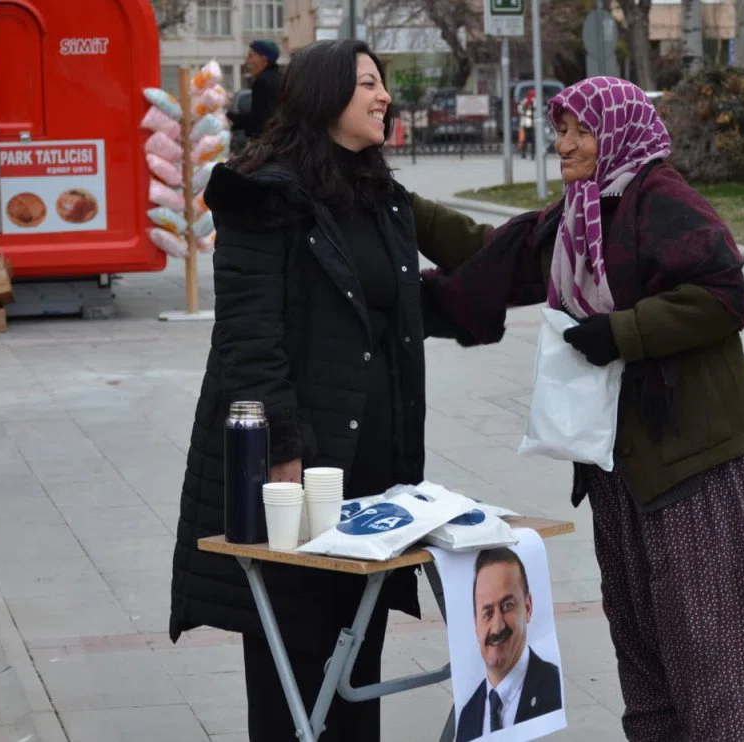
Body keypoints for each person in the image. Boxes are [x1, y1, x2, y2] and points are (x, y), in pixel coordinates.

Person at [422, 77, 744, 741]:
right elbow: (492, 255)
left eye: (579, 131)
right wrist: (398, 208)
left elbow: (723, 294)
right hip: (621, 475)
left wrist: (622, 332)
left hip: (693, 471)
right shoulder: (578, 218)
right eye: (560, 131)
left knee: (719, 665)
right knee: (645, 664)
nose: (564, 145)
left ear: (617, 132)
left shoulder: (661, 200)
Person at [170, 39, 493, 742]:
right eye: (368, 84)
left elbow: (400, 301)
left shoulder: (380, 196)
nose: (384, 97)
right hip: (297, 473)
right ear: (324, 97)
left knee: (355, 657)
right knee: (294, 662)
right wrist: (282, 454)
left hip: (373, 470)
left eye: (382, 84)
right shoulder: (262, 194)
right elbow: (249, 339)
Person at [456, 548, 562, 742]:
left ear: (528, 608)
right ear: (476, 624)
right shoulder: (467, 716)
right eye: (487, 613)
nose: (498, 627)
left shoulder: (553, 691)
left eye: (507, 606)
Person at [228, 39, 281, 140]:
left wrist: (231, 118)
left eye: (250, 56)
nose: (247, 62)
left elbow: (259, 119)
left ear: (264, 60)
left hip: (267, 141)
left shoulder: (262, 81)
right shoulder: (280, 77)